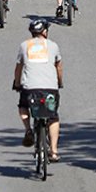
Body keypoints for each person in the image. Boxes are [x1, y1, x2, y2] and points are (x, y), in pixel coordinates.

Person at [13, 18, 63, 160]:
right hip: (50, 88)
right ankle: (54, 151)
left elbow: (19, 68)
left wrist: (17, 83)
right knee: (53, 116)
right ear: (45, 32)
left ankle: (28, 129)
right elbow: (59, 66)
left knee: (23, 105)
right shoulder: (53, 46)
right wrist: (59, 82)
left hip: (30, 88)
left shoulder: (24, 45)